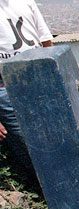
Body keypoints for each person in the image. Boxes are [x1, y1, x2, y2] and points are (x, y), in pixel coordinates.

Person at [0, 0, 53, 178]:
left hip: (37, 79)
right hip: (5, 86)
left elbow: (46, 41)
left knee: (55, 135)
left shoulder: (24, 1)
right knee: (30, 150)